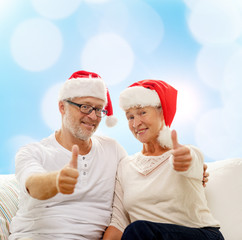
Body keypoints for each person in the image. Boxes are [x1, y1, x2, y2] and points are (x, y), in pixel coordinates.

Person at [9, 70, 128, 240]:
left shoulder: (113, 151)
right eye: (85, 107)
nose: (93, 116)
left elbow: (120, 215)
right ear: (62, 107)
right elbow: (33, 185)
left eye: (99, 109)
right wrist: (56, 181)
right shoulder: (33, 152)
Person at [103, 79, 224, 240]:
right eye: (130, 117)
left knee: (139, 230)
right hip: (145, 236)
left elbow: (191, 162)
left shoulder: (185, 153)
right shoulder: (125, 166)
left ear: (162, 112)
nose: (136, 123)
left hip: (200, 235)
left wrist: (185, 160)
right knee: (137, 231)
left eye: (142, 112)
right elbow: (118, 223)